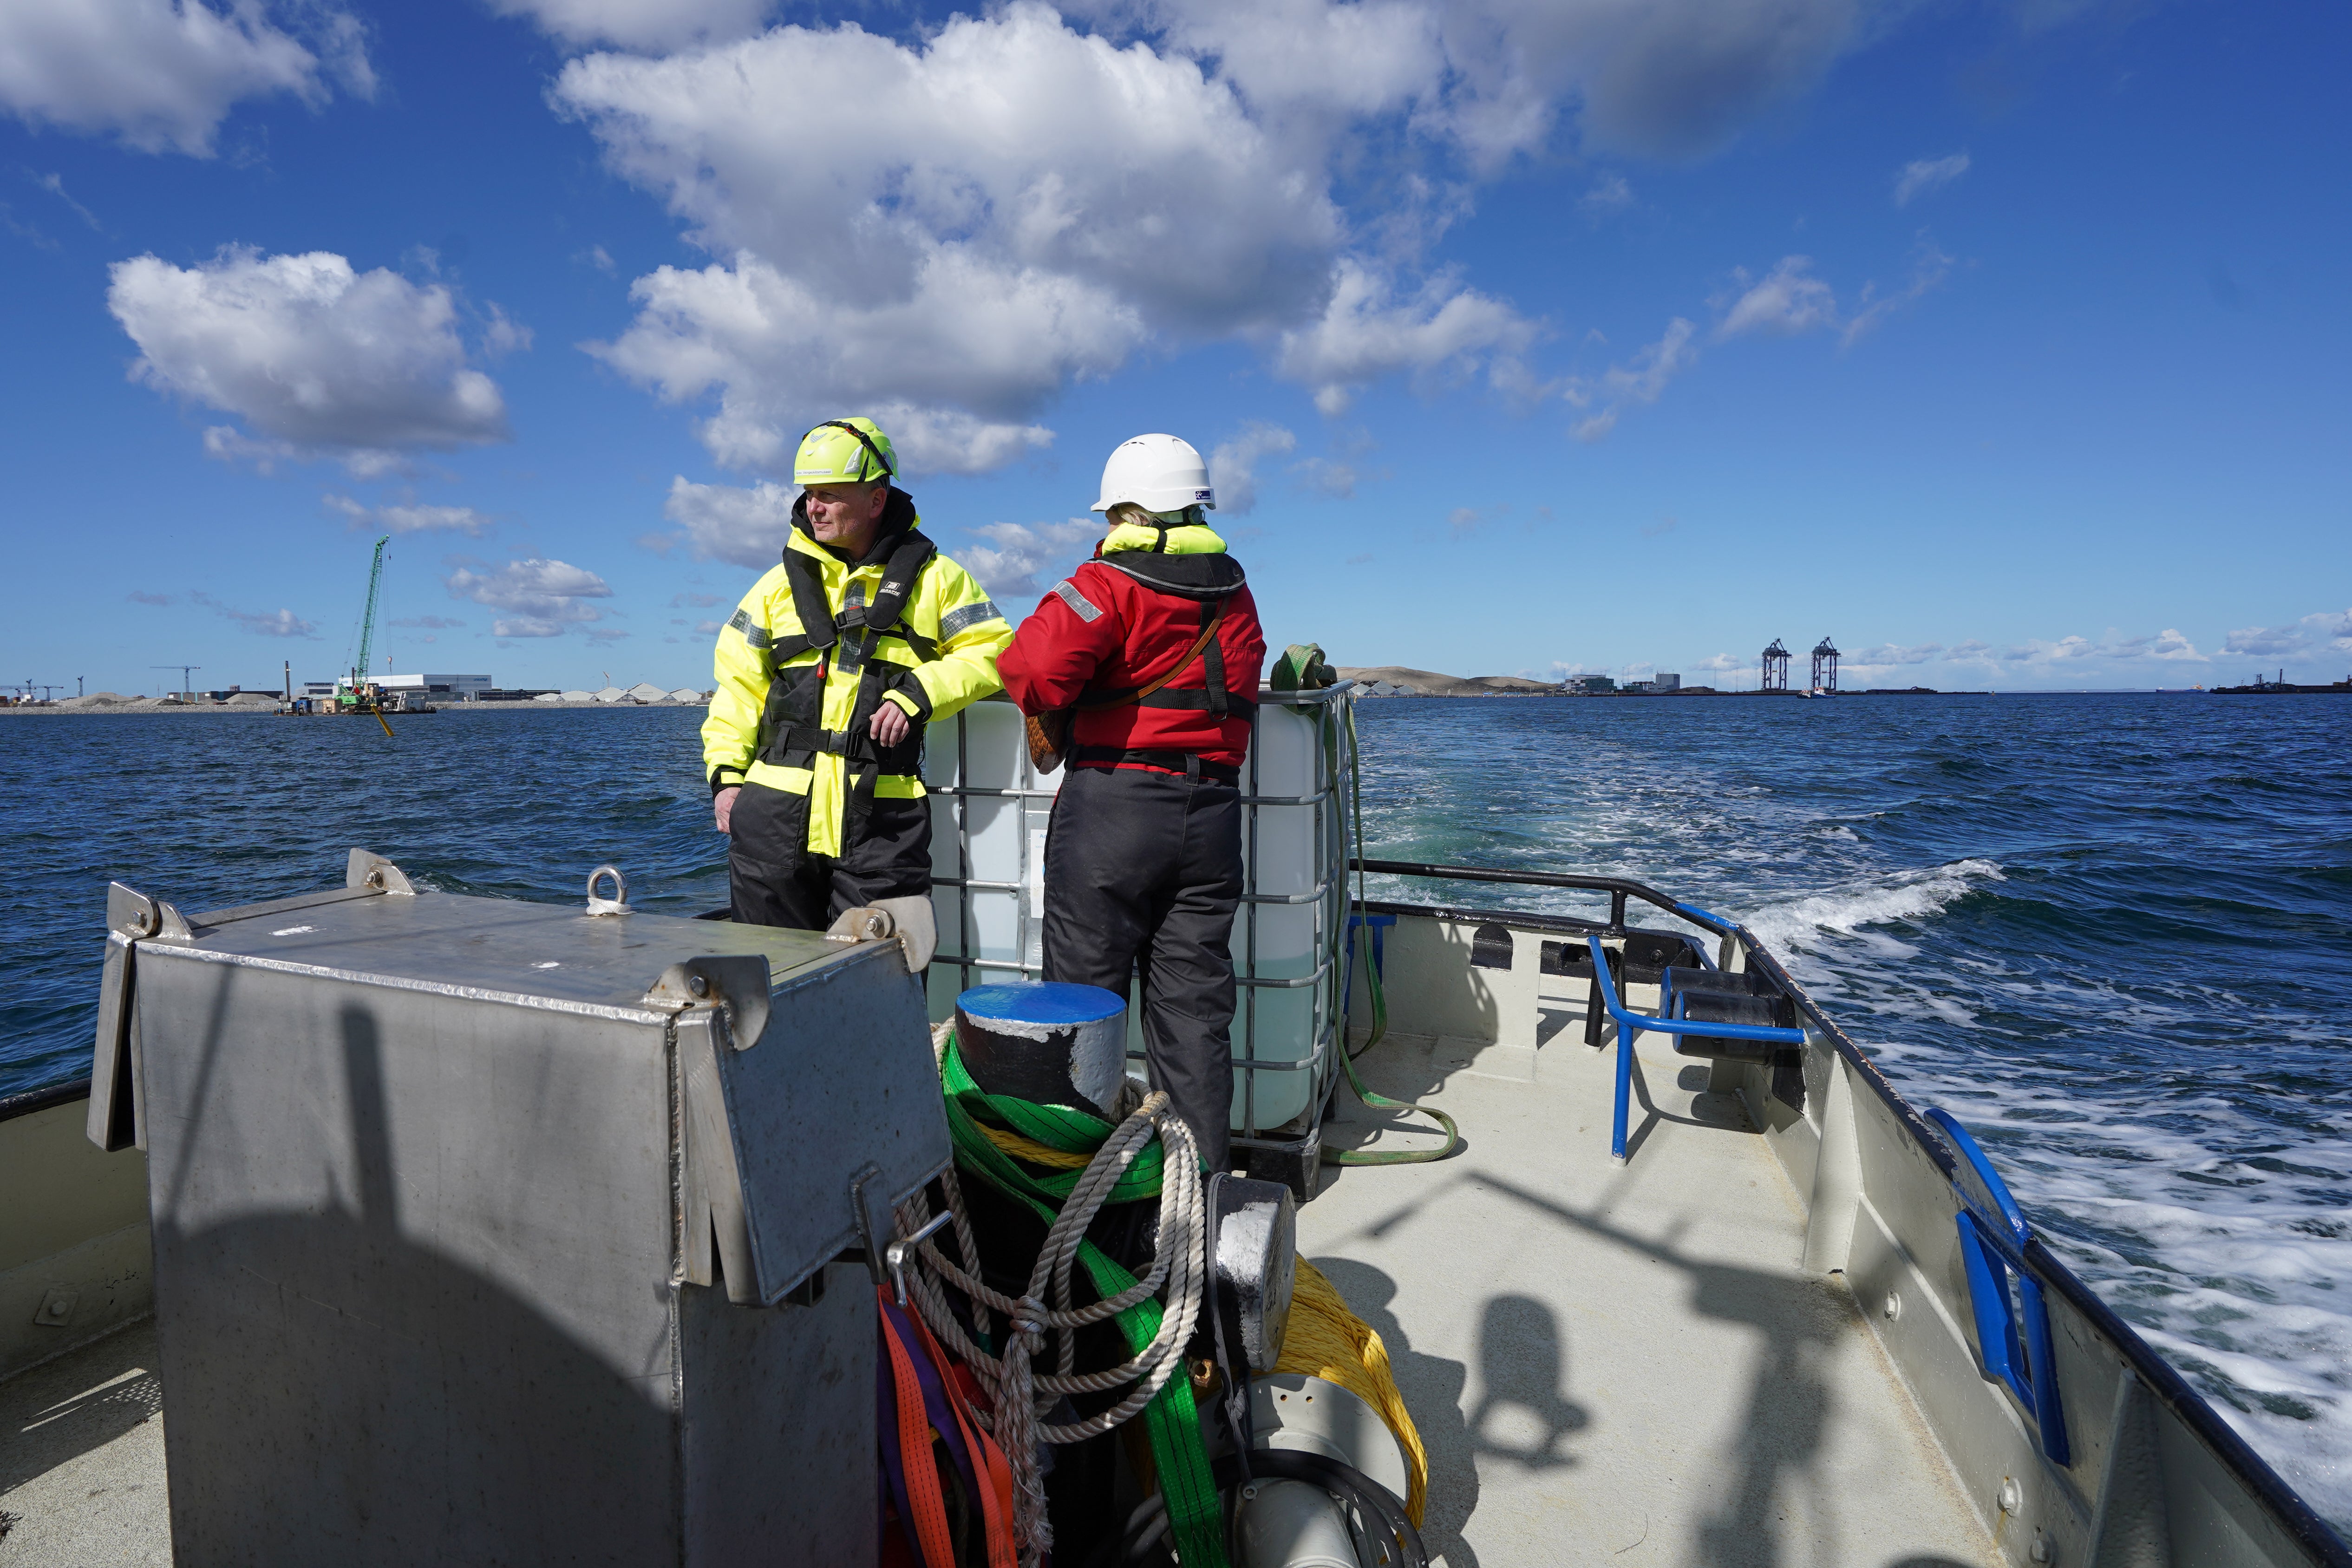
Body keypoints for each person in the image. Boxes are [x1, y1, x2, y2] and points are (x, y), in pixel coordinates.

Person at [997, 434, 1268, 1172]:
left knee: (1084, 1012)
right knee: (1195, 1022)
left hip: (1116, 807)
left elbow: (1032, 668)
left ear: (1126, 510)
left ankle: (1083, 1201)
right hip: (1212, 817)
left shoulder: (1107, 583)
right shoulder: (1237, 595)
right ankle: (1200, 1197)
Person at [704, 417, 1012, 928]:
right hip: (773, 816)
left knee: (884, 978)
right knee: (768, 976)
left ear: (876, 499)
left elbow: (997, 651)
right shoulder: (773, 588)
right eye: (808, 494)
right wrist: (726, 778)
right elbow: (737, 687)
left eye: (828, 494)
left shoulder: (939, 580)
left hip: (882, 822)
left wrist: (919, 692)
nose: (812, 507)